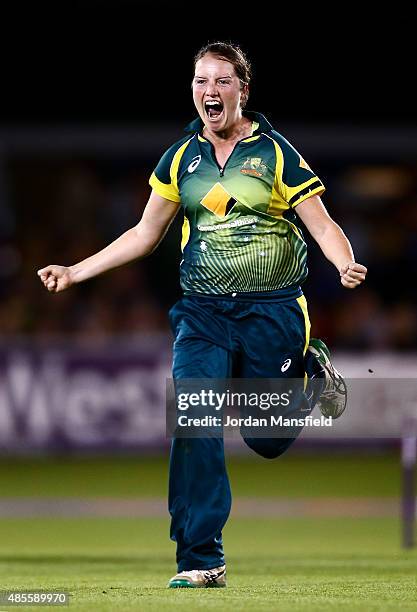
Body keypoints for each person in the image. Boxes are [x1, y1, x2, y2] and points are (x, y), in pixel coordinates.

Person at [37, 41, 367, 588]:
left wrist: (344, 262)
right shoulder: (179, 158)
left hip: (273, 312)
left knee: (266, 440)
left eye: (220, 81)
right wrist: (75, 271)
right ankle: (200, 559)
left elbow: (323, 224)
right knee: (194, 419)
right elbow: (145, 234)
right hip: (202, 315)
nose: (208, 92)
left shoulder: (276, 154)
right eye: (200, 81)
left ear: (242, 89)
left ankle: (311, 373)